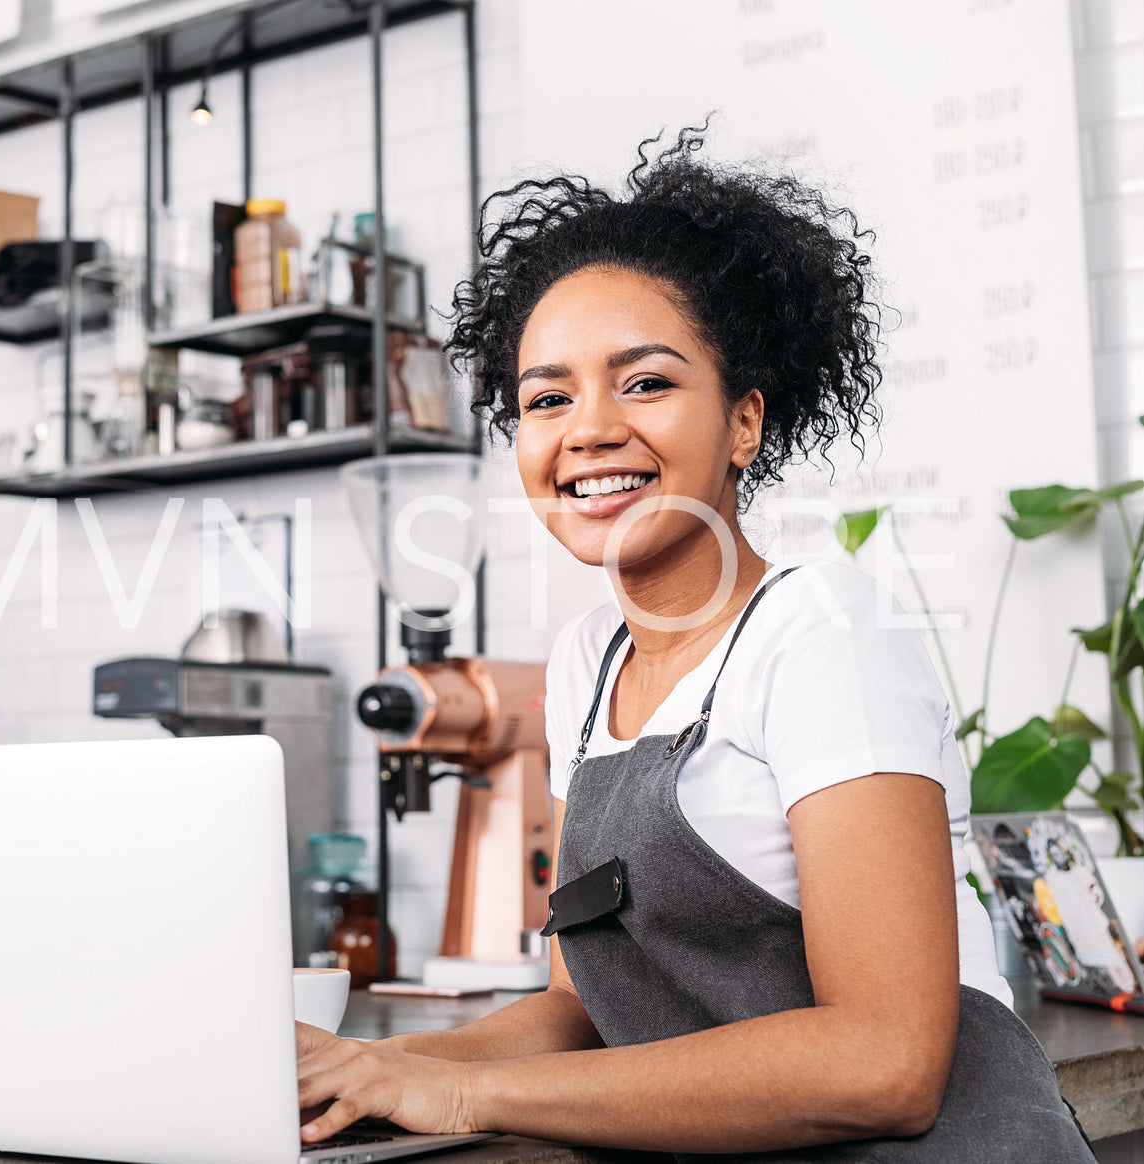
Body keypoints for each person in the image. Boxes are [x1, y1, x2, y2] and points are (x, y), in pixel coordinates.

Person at [296, 129, 1096, 1161]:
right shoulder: (590, 665)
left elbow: (880, 1065)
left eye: (644, 383)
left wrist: (468, 1097)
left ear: (742, 422)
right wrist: (381, 1066)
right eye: (546, 399)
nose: (585, 430)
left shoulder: (822, 633)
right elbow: (579, 1012)